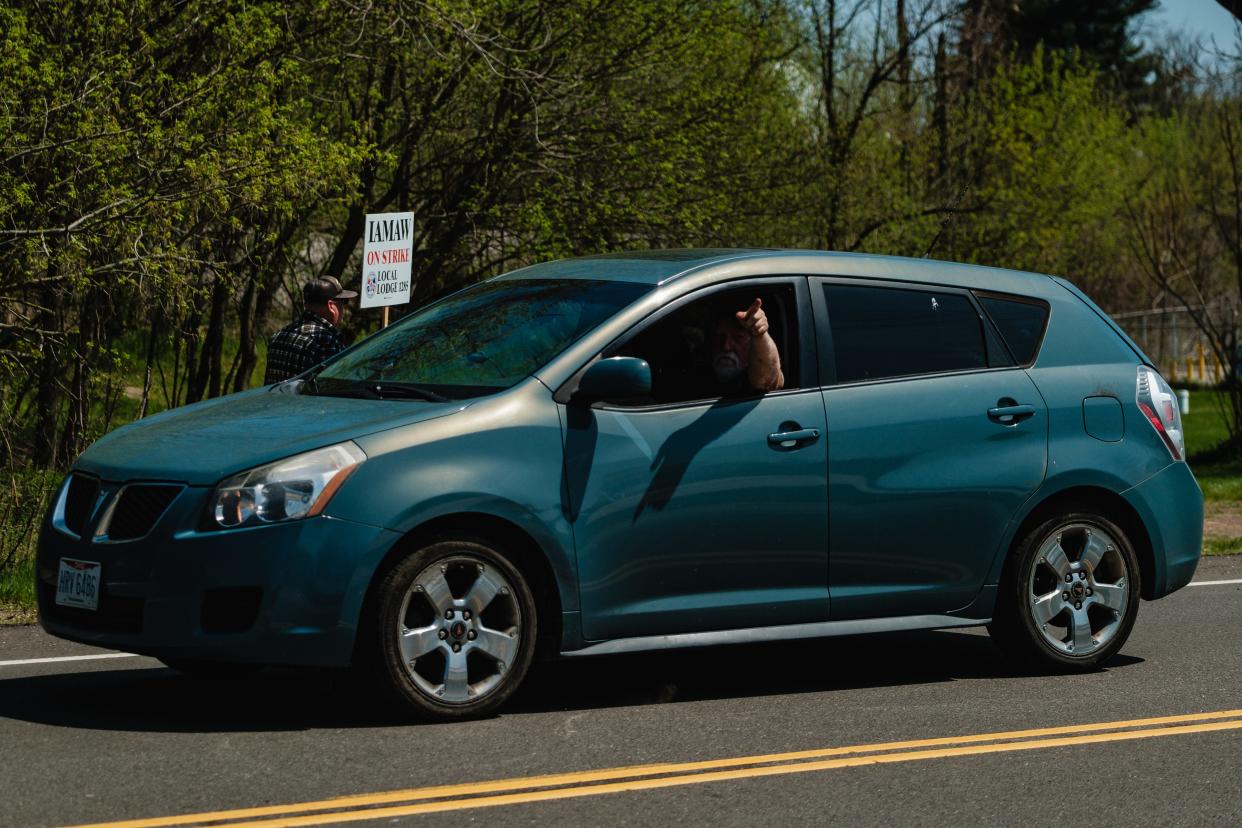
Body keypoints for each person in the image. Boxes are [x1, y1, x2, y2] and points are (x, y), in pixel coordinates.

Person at [263, 276, 357, 384]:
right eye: (344, 302)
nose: (344, 308)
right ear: (331, 306)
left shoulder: (278, 335)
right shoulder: (327, 340)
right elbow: (336, 387)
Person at [706, 297, 784, 394]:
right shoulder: (697, 376)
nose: (726, 347)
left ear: (751, 344)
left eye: (738, 337)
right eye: (720, 336)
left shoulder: (753, 378)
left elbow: (769, 380)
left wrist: (760, 334)